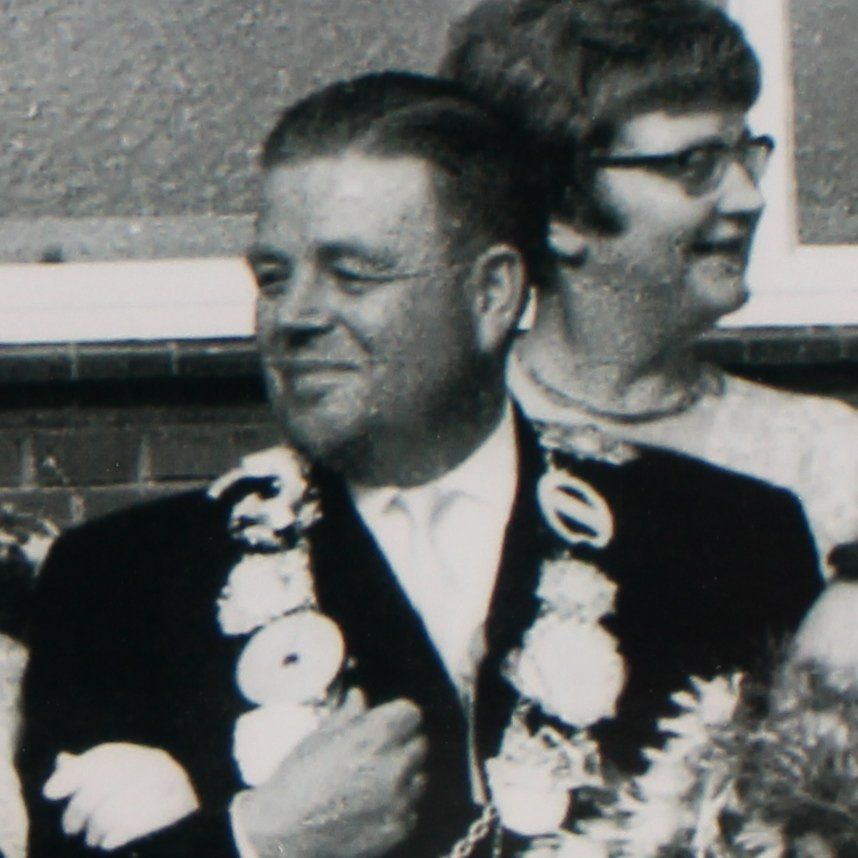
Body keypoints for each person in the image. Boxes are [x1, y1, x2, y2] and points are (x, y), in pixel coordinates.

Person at [19, 72, 821, 858]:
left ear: (492, 294)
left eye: (352, 274)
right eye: (273, 277)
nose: (294, 316)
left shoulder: (723, 542)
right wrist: (257, 840)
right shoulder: (124, 584)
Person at [442, 0, 858, 572]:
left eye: (744, 154)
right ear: (560, 210)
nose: (750, 198)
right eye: (696, 163)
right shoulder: (453, 443)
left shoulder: (823, 455)